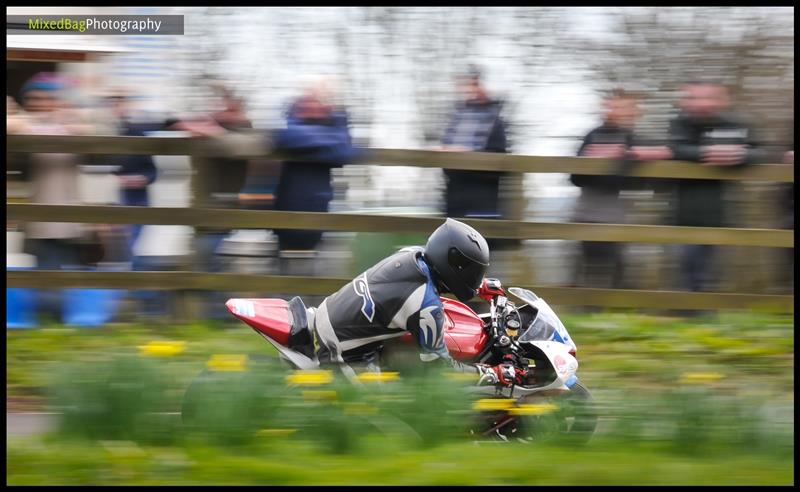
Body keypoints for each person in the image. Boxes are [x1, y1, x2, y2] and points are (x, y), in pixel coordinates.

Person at [304, 218, 522, 386]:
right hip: (341, 347)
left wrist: (479, 285)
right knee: (384, 417)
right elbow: (441, 368)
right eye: (472, 272)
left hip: (334, 312)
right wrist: (490, 373)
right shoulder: (426, 306)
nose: (474, 276)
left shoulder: (414, 254)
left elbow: (441, 272)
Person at [569, 89, 671, 289]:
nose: (616, 112)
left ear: (635, 112)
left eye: (623, 107)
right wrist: (622, 164)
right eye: (613, 106)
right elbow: (576, 176)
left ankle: (615, 314)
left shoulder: (636, 139)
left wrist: (625, 160)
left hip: (617, 217)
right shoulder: (593, 135)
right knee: (586, 273)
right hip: (587, 214)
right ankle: (585, 314)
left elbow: (656, 175)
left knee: (618, 273)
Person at [667, 81, 761, 292]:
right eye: (696, 98)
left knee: (710, 275)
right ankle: (686, 318)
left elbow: (760, 152)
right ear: (685, 101)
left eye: (709, 97)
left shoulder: (737, 124)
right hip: (684, 213)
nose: (703, 103)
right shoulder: (679, 124)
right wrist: (707, 154)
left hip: (722, 212)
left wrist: (741, 155)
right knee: (687, 271)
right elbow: (675, 148)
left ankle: (705, 319)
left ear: (722, 100)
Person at [271, 80, 358, 251]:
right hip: (285, 209)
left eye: (318, 100)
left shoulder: (336, 125)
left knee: (311, 261)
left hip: (317, 208)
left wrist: (310, 144)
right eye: (308, 99)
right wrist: (326, 142)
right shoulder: (290, 123)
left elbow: (344, 152)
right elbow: (284, 137)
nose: (312, 105)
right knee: (286, 259)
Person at [440, 65, 508, 220]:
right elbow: (445, 165)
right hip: (455, 204)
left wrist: (467, 156)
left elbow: (501, 164)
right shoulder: (456, 120)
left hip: (482, 205)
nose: (470, 89)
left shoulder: (495, 122)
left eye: (475, 84)